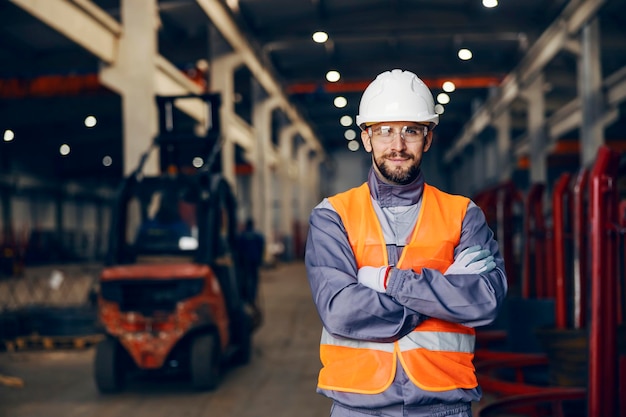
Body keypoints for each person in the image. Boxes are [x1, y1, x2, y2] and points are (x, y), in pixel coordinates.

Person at [304, 69, 508, 417]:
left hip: (443, 404)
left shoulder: (463, 214)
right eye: (384, 131)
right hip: (358, 406)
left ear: (428, 139)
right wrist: (440, 295)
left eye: (410, 131)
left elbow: (485, 300)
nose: (397, 146)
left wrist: (387, 282)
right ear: (367, 138)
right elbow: (341, 310)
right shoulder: (332, 215)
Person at [236, 218, 265, 305]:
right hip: (254, 261)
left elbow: (238, 249)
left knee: (245, 279)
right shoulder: (258, 236)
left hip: (244, 263)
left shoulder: (242, 236)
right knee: (254, 279)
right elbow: (261, 248)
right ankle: (252, 297)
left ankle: (246, 297)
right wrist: (260, 259)